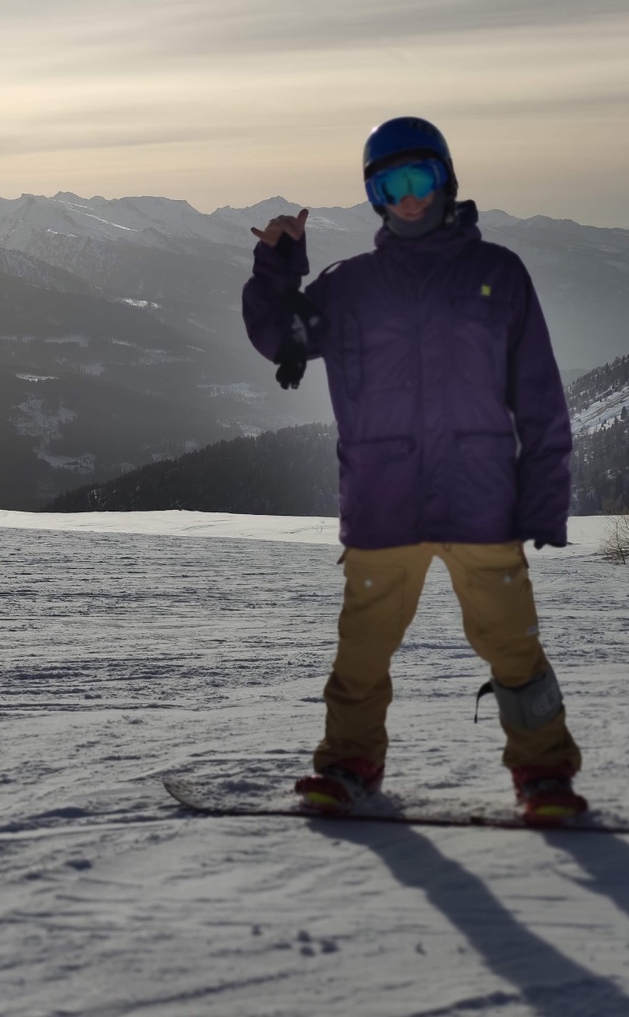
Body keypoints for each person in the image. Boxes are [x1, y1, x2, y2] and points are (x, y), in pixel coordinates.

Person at [242, 116, 585, 825]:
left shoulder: (500, 275)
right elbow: (282, 335)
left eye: (419, 179)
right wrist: (280, 262)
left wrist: (545, 503)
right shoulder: (350, 287)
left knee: (514, 652)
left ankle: (544, 774)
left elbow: (541, 398)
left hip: (482, 503)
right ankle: (348, 764)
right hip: (382, 505)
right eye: (390, 184)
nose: (408, 198)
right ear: (373, 194)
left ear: (445, 179)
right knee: (361, 656)